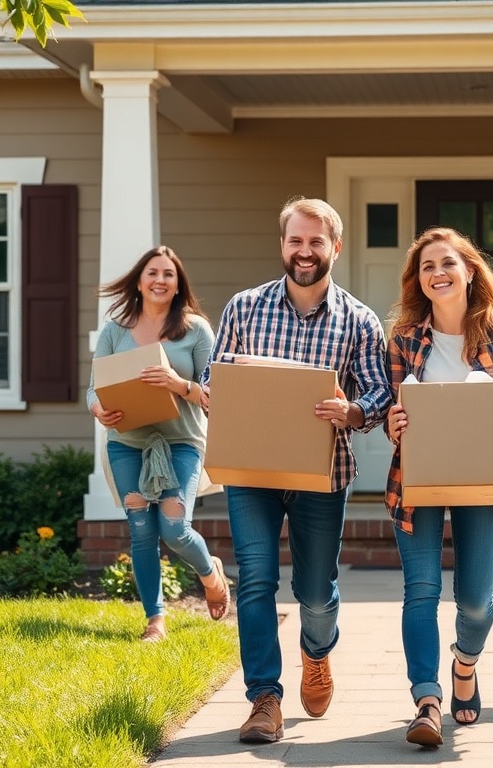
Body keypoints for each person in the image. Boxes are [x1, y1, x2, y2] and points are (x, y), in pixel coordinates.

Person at [201, 197, 392, 744]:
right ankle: (264, 698)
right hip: (253, 470)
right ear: (282, 245)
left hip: (321, 472)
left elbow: (379, 390)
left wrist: (352, 409)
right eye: (295, 241)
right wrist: (219, 399)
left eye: (315, 242)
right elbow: (221, 381)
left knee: (315, 590)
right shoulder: (243, 308)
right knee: (256, 581)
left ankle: (316, 652)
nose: (304, 252)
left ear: (334, 247)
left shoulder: (359, 320)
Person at [384, 227, 493, 747]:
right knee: (421, 591)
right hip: (422, 477)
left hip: (485, 477)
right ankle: (427, 702)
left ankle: (464, 664)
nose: (438, 273)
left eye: (448, 263)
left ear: (470, 270)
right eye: (427, 266)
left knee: (476, 602)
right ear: (419, 281)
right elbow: (396, 409)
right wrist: (394, 423)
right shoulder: (406, 339)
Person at [87, 245, 230, 643]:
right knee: (141, 531)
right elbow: (93, 389)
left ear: (178, 284)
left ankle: (209, 573)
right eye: (153, 272)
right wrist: (99, 409)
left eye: (168, 274)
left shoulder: (196, 330)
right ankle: (155, 620)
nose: (160, 280)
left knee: (173, 527)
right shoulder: (116, 329)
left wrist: (177, 383)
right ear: (139, 280)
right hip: (127, 443)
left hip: (182, 442)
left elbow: (214, 394)